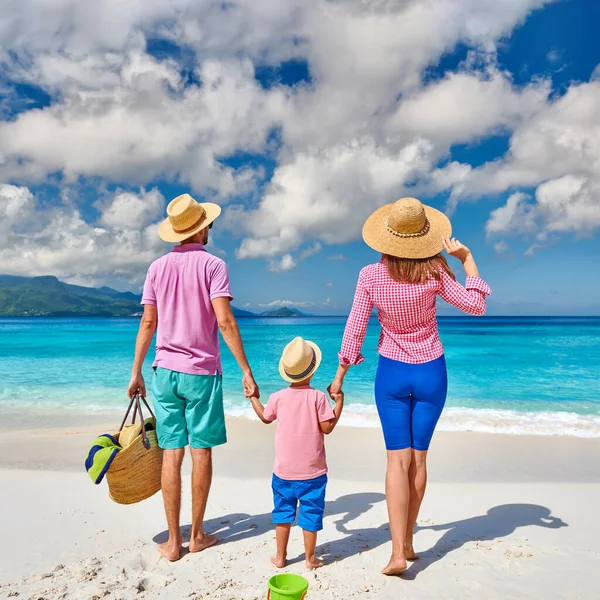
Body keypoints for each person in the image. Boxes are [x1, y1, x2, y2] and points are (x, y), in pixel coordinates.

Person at [328, 197, 491, 576]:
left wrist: (339, 376)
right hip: (432, 371)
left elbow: (355, 329)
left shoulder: (370, 275)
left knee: (396, 461)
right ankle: (410, 542)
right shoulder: (435, 271)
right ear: (423, 237)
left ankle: (398, 552)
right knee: (418, 460)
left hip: (392, 374)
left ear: (387, 237)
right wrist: (466, 259)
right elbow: (476, 305)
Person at [127, 193, 259, 562]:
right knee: (201, 453)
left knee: (173, 453)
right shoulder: (214, 266)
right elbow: (225, 321)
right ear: (203, 228)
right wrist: (246, 370)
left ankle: (172, 542)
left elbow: (148, 323)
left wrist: (136, 370)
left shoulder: (156, 268)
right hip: (200, 374)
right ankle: (197, 535)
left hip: (164, 373)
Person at [248, 337, 344, 570]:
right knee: (311, 515)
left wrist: (252, 397)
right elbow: (328, 428)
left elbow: (265, 417)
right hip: (313, 473)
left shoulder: (278, 397)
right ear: (312, 371)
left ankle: (281, 557)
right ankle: (310, 559)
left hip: (283, 472)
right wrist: (340, 401)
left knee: (283, 514)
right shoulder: (318, 398)